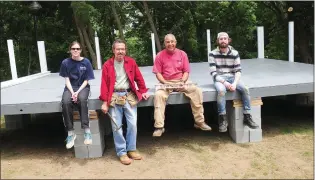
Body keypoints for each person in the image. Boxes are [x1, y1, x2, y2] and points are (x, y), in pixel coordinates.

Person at [99, 39, 150, 165]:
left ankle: (131, 149)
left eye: (123, 49)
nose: (120, 51)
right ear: (113, 50)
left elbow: (139, 77)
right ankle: (122, 152)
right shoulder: (107, 65)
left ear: (125, 50)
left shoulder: (131, 62)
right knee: (117, 126)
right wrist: (105, 102)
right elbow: (104, 85)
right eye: (118, 49)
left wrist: (143, 90)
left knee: (132, 123)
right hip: (114, 95)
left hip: (129, 95)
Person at [152, 34, 212, 137]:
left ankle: (199, 122)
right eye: (168, 42)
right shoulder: (159, 55)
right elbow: (158, 73)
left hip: (181, 80)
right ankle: (159, 127)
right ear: (164, 43)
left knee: (196, 90)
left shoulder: (182, 54)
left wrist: (182, 81)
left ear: (175, 42)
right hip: (166, 82)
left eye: (172, 41)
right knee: (159, 95)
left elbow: (186, 71)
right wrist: (165, 83)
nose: (170, 44)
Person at [209, 32, 259, 132]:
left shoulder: (235, 53)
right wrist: (225, 83)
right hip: (219, 78)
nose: (223, 40)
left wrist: (235, 83)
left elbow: (238, 71)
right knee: (221, 91)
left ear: (229, 40)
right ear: (217, 41)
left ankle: (247, 116)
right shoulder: (212, 53)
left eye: (225, 38)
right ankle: (222, 119)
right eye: (221, 39)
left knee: (245, 89)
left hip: (233, 77)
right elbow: (213, 73)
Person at [59, 41, 95, 149]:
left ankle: (87, 131)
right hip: (70, 87)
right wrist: (72, 92)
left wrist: (77, 92)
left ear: (81, 50)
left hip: (83, 87)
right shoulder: (65, 63)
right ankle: (70, 133)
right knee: (65, 102)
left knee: (82, 100)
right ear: (70, 50)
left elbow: (86, 81)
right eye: (73, 48)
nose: (75, 50)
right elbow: (67, 80)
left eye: (78, 49)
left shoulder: (86, 62)